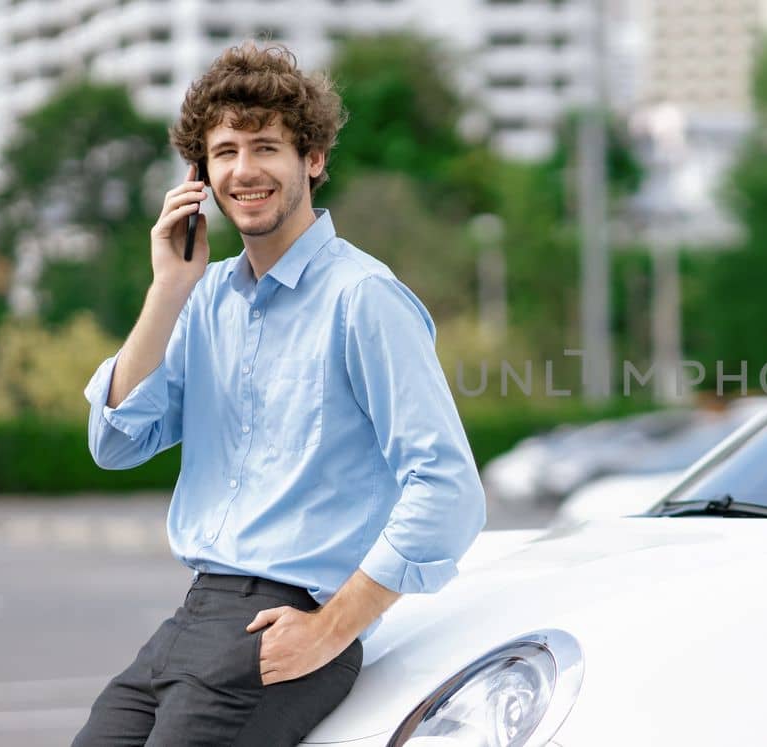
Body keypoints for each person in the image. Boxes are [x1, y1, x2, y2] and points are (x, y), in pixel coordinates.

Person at [72, 42, 486, 746]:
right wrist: (167, 290)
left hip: (283, 624)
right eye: (225, 150)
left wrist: (331, 627)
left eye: (266, 145)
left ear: (313, 159)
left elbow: (447, 488)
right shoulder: (204, 307)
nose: (245, 169)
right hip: (192, 616)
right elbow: (113, 441)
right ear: (201, 174)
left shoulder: (364, 300)